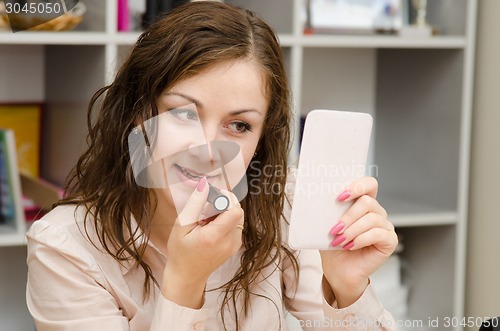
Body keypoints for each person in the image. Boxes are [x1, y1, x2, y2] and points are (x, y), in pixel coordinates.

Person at [26, 2, 399, 330]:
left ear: (260, 141)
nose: (207, 151)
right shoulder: (65, 248)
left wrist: (347, 290)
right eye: (184, 113)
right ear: (140, 116)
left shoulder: (285, 205)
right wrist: (184, 284)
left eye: (239, 125)